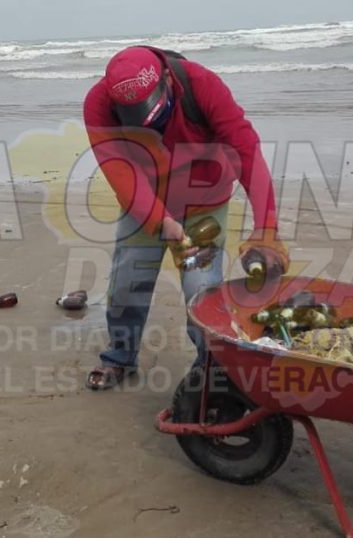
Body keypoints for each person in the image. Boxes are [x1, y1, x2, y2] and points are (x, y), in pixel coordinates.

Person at [82, 46, 288, 390]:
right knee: (126, 283)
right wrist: (160, 221)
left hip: (206, 202)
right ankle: (120, 357)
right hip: (145, 202)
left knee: (201, 290)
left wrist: (266, 227)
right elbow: (120, 172)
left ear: (166, 79)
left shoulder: (202, 85)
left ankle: (209, 367)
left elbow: (246, 150)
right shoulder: (98, 105)